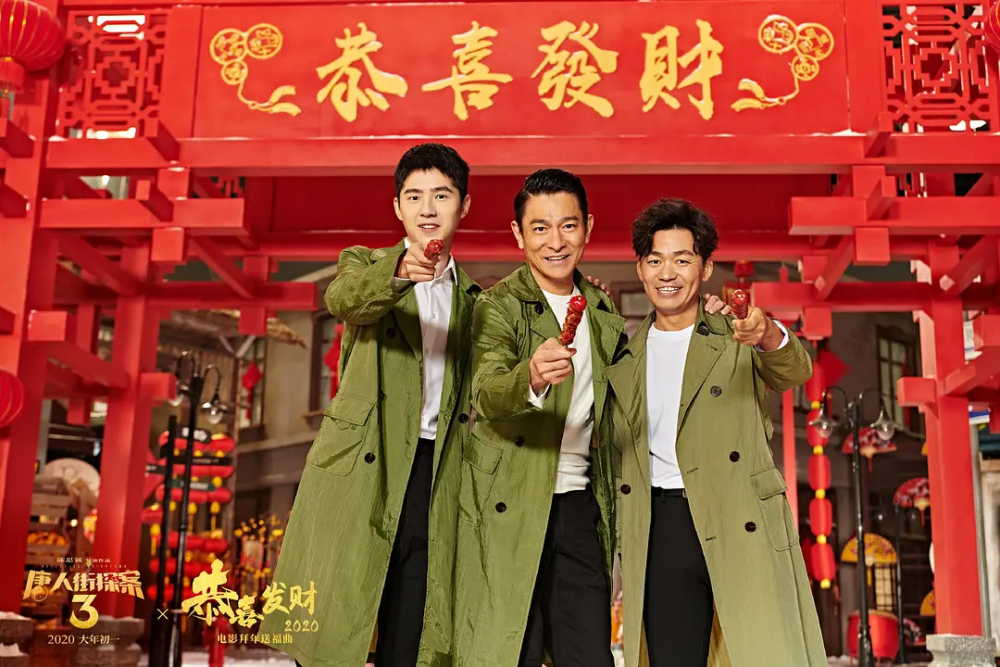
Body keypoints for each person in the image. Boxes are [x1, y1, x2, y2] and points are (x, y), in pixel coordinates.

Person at [451, 171, 729, 667]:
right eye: (539, 228)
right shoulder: (496, 306)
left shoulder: (600, 310)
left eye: (568, 225)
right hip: (507, 504)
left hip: (581, 505)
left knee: (588, 655)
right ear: (518, 235)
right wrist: (530, 376)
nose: (555, 241)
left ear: (587, 227)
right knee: (508, 651)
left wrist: (709, 318)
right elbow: (486, 392)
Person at [261, 143, 480, 667]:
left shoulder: (476, 300)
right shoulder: (366, 264)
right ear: (397, 206)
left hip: (435, 467)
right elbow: (345, 299)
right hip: (365, 458)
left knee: (413, 617)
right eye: (414, 196)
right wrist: (400, 272)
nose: (427, 208)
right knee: (334, 615)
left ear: (464, 205)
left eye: (442, 195)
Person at [605, 198, 826, 667]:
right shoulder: (623, 358)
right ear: (640, 269)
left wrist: (767, 333)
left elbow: (794, 371)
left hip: (738, 512)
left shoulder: (735, 333)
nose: (668, 273)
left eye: (682, 260)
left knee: (761, 653)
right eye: (655, 260)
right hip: (661, 523)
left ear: (705, 268)